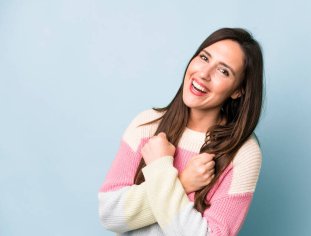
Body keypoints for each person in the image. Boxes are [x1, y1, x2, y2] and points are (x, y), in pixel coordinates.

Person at [98, 27, 264, 236]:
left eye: (223, 71)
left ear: (238, 90)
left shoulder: (244, 153)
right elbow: (110, 214)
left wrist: (159, 168)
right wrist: (183, 182)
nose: (204, 74)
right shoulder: (147, 125)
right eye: (204, 58)